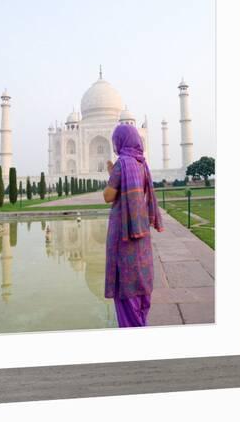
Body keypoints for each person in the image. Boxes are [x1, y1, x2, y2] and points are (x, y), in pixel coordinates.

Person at [103, 124, 164, 327]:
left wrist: (111, 173)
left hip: (123, 232)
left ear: (120, 141)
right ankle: (140, 321)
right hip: (141, 229)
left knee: (125, 280)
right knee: (140, 273)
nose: (114, 146)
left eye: (115, 142)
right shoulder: (142, 164)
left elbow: (108, 196)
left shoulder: (122, 164)